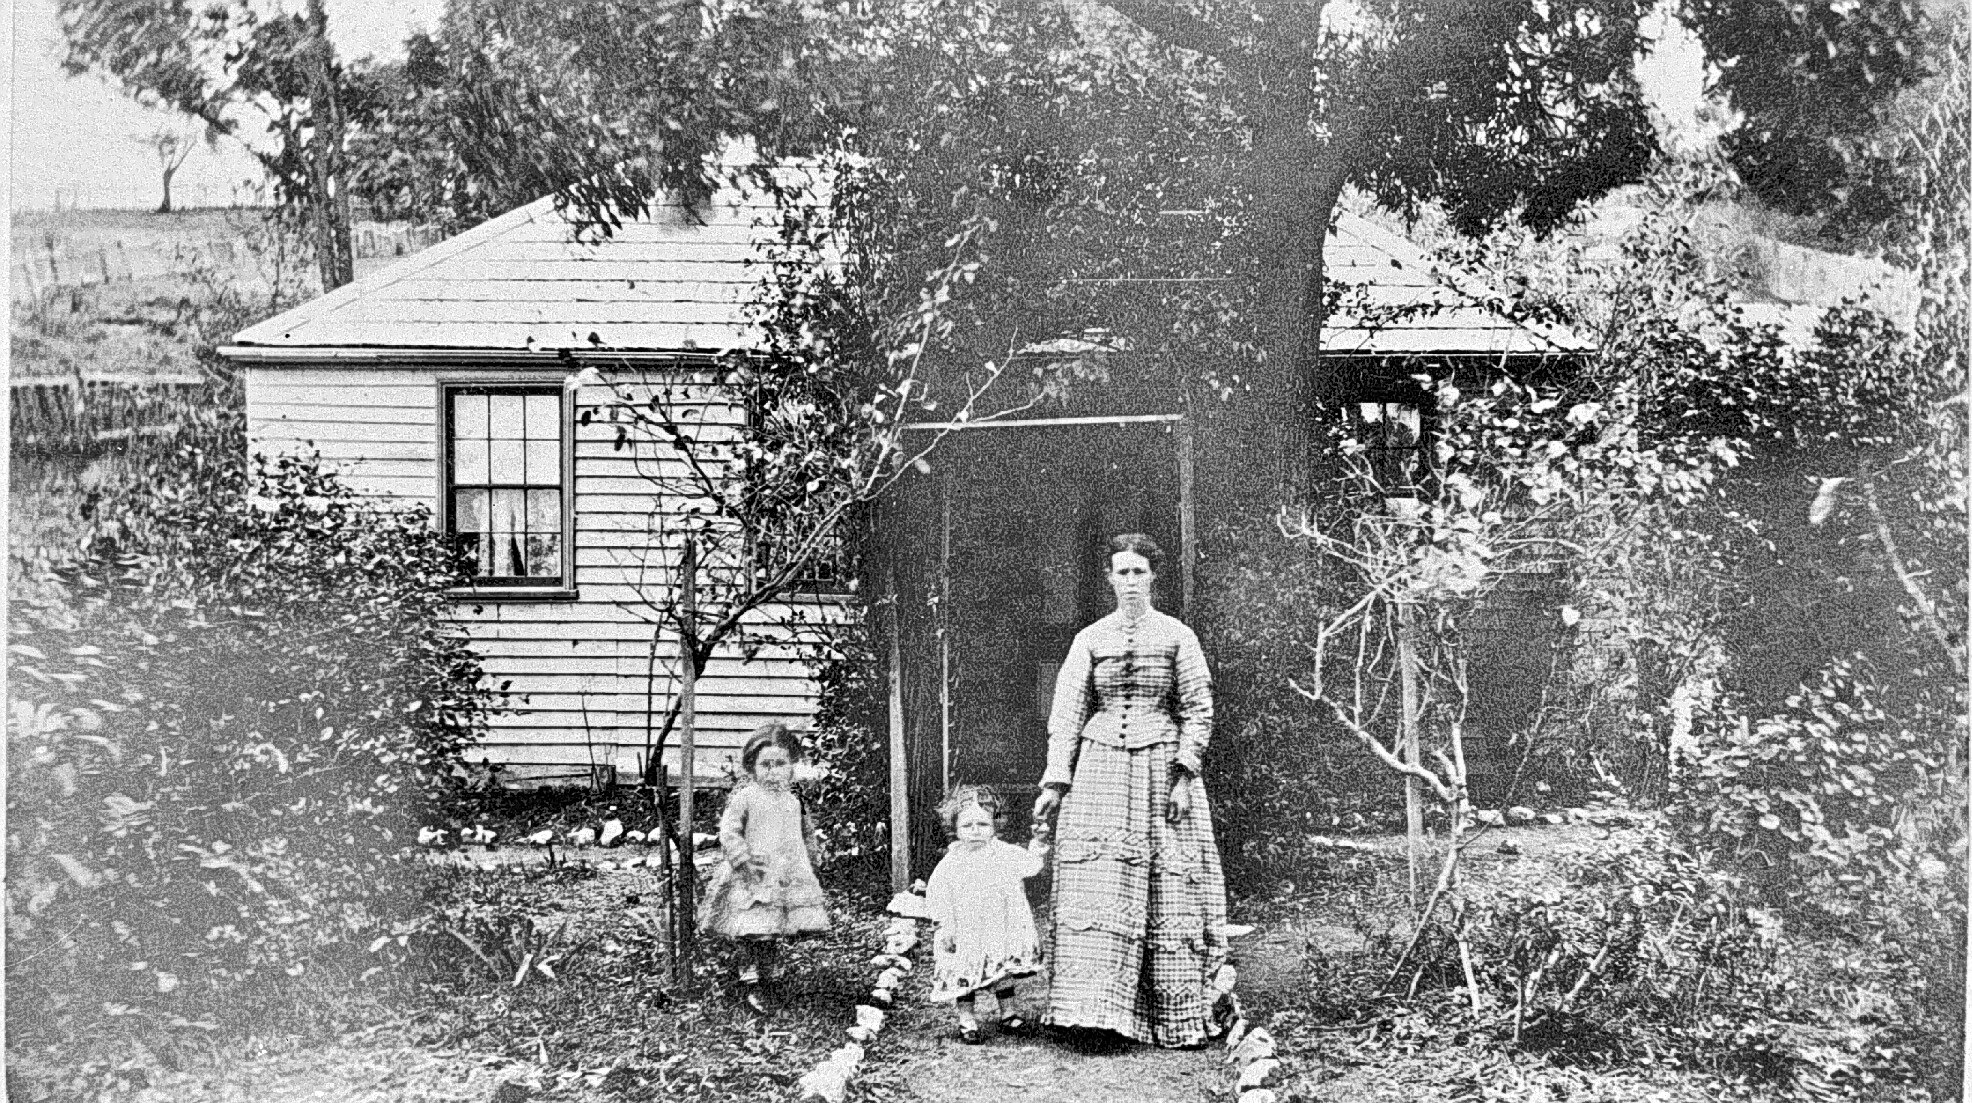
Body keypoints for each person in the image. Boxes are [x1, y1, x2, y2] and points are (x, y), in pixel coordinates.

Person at [1031, 532, 1229, 1048]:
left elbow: (1198, 709)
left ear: (1153, 576)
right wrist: (1056, 781)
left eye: (1140, 571)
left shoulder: (1178, 636)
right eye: (1122, 572)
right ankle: (1091, 1011)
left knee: (1167, 881)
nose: (1131, 581)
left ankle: (1171, 1013)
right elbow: (1067, 713)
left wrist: (1185, 775)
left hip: (1159, 766)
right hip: (1099, 768)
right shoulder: (1090, 638)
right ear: (1110, 578)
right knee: (1098, 883)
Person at [700, 722, 831, 1013]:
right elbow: (729, 831)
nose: (773, 772)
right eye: (765, 765)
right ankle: (751, 983)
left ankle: (769, 979)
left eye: (780, 764)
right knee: (753, 931)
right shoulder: (746, 798)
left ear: (792, 765)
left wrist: (811, 860)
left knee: (771, 930)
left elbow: (805, 833)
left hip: (784, 875)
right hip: (753, 874)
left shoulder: (793, 801)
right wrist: (742, 858)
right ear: (752, 767)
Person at [925, 784, 1049, 1044]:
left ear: (995, 825)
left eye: (982, 824)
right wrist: (944, 926)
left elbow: (1031, 865)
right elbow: (938, 895)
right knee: (963, 971)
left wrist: (1038, 842)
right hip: (966, 929)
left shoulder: (1004, 853)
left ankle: (1008, 1013)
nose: (975, 831)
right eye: (967, 825)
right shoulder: (951, 863)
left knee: (1001, 969)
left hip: (997, 926)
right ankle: (967, 1020)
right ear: (955, 828)